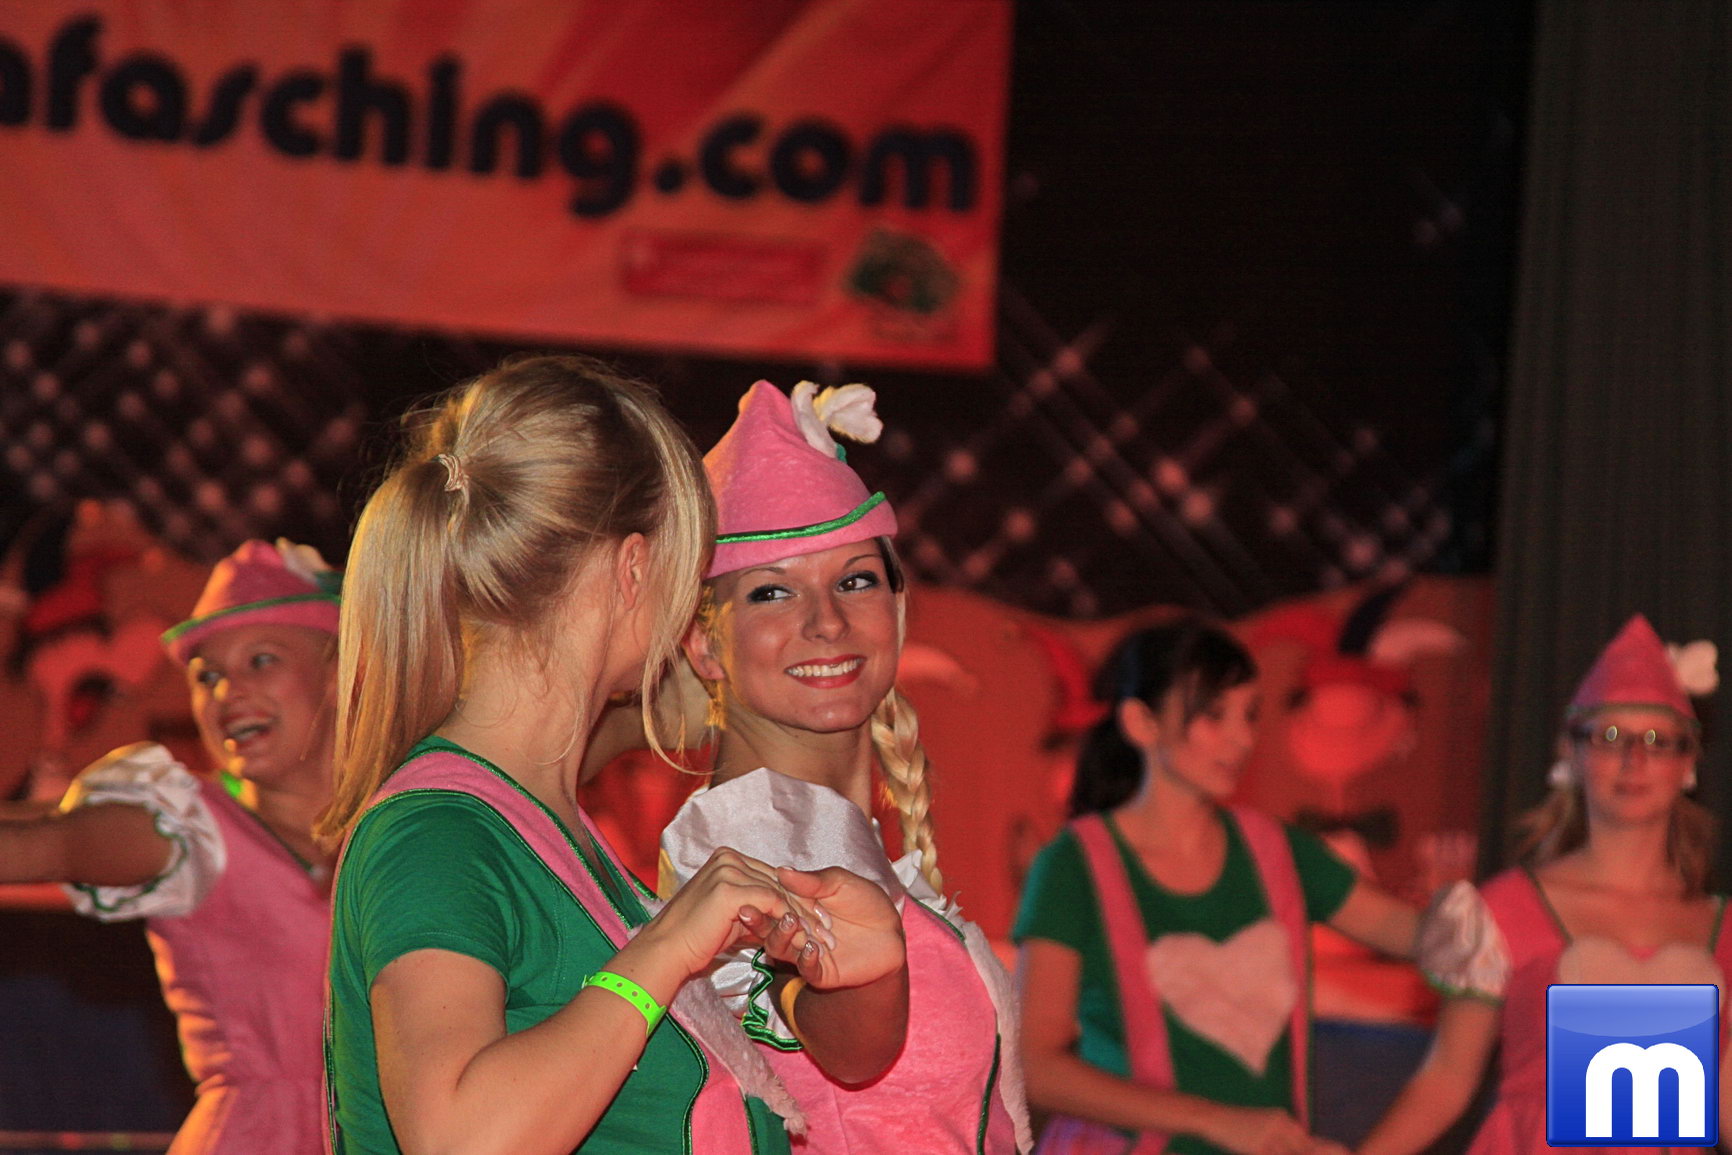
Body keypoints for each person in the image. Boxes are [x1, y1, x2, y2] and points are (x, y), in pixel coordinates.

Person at [317, 355, 908, 1155]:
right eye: (689, 567)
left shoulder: (545, 828)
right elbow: (460, 1137)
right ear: (635, 567)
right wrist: (666, 948)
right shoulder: (435, 834)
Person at [645, 378, 1029, 1153]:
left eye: (856, 580)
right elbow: (852, 1048)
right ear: (703, 644)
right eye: (773, 592)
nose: (826, 620)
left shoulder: (830, 838)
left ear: (897, 610)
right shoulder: (742, 843)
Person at [1015, 620, 1420, 1155]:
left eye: (1250, 715)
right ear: (1141, 722)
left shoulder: (1277, 851)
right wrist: (1215, 1121)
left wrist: (1509, 913)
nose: (1243, 738)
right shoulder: (1073, 866)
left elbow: (1422, 936)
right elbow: (1038, 1067)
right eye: (1213, 715)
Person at [0, 537, 342, 1154]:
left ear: (341, 671)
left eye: (261, 660)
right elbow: (42, 845)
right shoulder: (190, 830)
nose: (227, 693)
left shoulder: (408, 821)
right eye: (207, 676)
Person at [1356, 614, 1727, 1155]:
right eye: (1610, 737)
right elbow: (1446, 1081)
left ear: (1688, 762)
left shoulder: (1721, 927)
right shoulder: (1505, 910)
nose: (1635, 760)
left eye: (1657, 740)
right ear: (1571, 754)